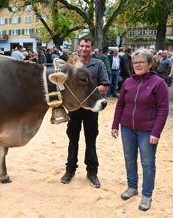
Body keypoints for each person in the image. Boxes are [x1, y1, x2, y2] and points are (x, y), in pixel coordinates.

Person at [111, 49, 169, 211]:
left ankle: (146, 195)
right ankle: (132, 187)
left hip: (147, 131)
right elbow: (120, 104)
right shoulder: (128, 82)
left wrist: (156, 132)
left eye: (141, 62)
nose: (137, 65)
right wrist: (116, 124)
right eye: (135, 62)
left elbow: (163, 109)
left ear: (150, 64)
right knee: (129, 159)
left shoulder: (158, 83)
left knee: (148, 163)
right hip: (127, 128)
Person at [60, 36, 110, 188]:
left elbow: (105, 85)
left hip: (91, 108)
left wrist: (89, 93)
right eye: (81, 45)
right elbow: (63, 84)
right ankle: (70, 170)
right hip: (74, 108)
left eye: (87, 46)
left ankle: (92, 172)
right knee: (72, 139)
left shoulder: (98, 64)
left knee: (91, 140)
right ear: (78, 46)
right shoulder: (71, 64)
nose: (84, 49)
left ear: (91, 47)